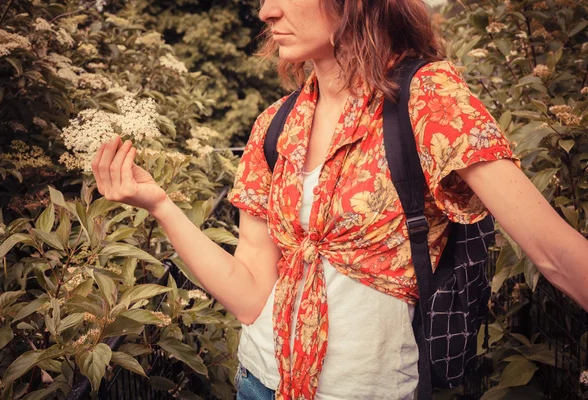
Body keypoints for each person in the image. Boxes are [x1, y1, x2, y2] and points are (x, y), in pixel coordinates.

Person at [91, 0, 588, 399]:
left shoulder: (428, 99)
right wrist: (160, 205)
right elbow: (249, 296)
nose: (265, 12)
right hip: (259, 382)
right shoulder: (275, 125)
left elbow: (553, 252)